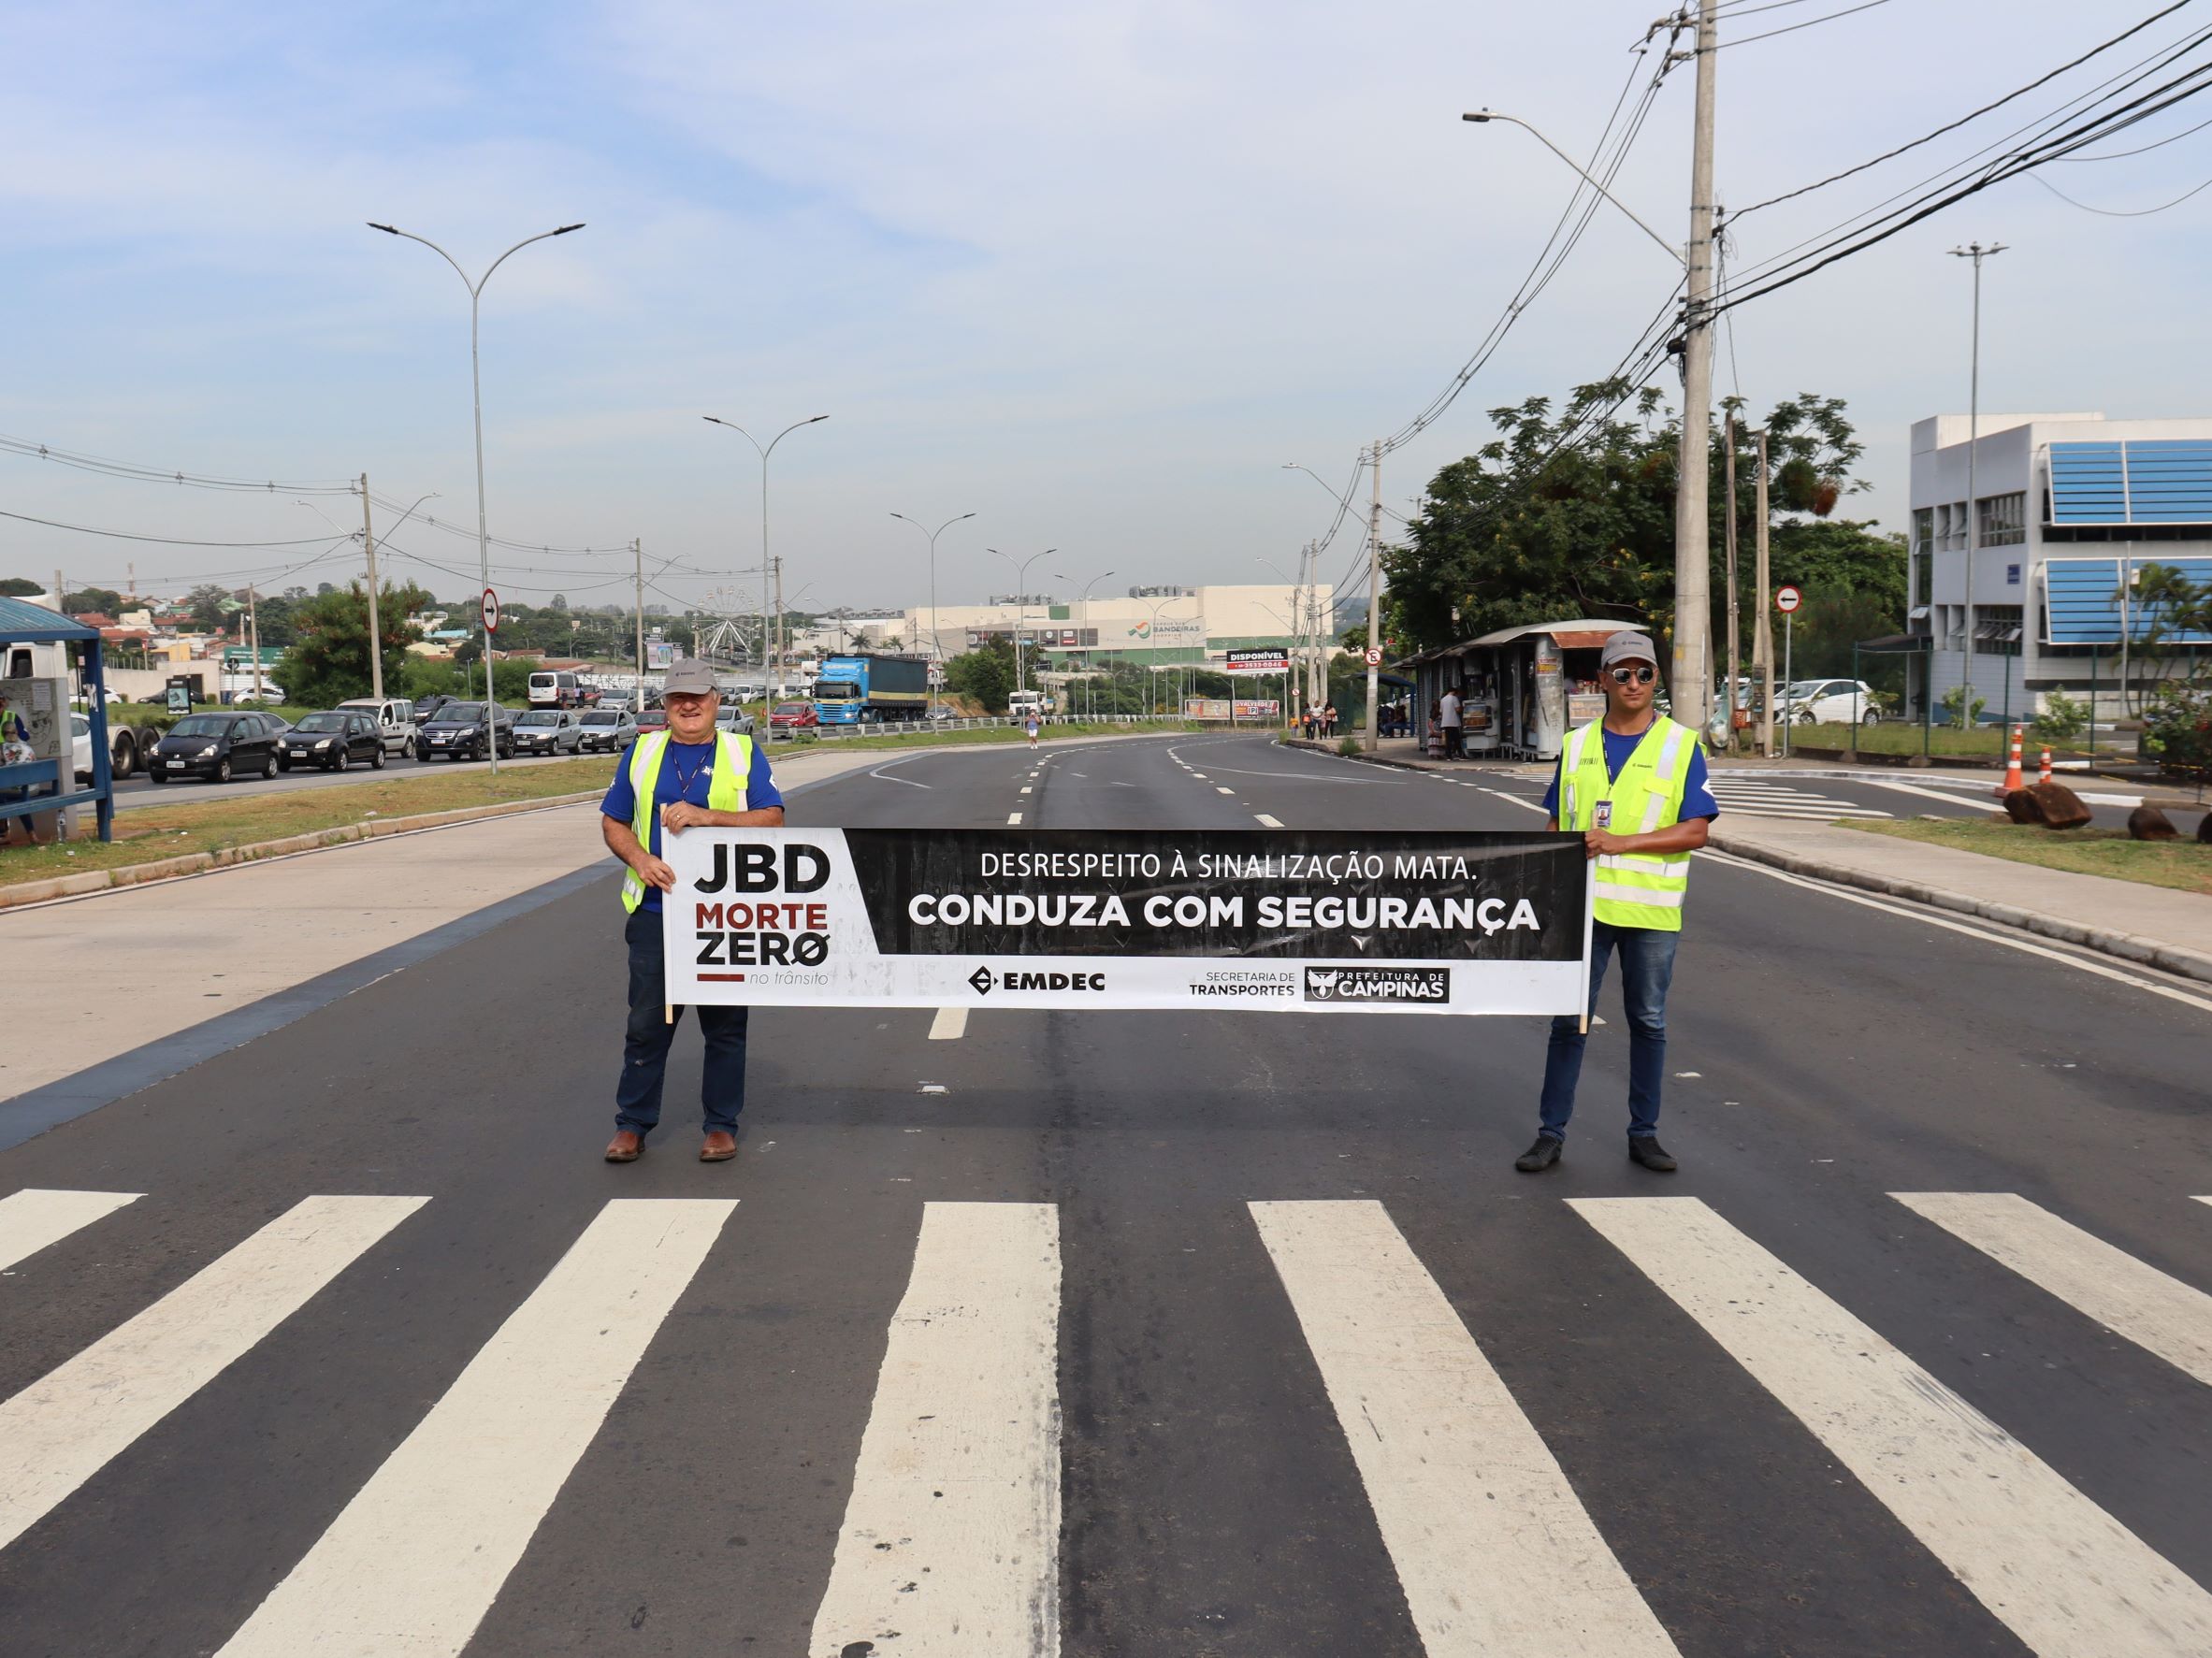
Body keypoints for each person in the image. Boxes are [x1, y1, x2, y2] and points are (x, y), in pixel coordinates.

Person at [1517, 632, 1718, 1175]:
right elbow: (1557, 822)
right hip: (1582, 909)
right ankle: (1550, 1134)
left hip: (1650, 912)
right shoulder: (1577, 744)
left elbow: (1697, 830)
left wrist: (1620, 843)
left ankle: (1644, 1135)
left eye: (1644, 673)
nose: (1634, 683)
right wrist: (1539, 889)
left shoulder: (1681, 745)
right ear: (1603, 680)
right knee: (1570, 1021)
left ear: (1656, 680)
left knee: (1648, 1022)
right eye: (1623, 673)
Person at [599, 658, 785, 1165]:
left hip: (724, 916)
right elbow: (613, 821)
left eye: (697, 697)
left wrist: (709, 817)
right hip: (656, 912)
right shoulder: (642, 752)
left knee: (724, 1026)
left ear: (716, 701)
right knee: (647, 1025)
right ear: (665, 704)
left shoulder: (742, 751)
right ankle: (632, 1124)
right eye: (677, 698)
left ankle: (721, 1126)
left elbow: (772, 819)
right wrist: (640, 860)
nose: (688, 706)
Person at [1439, 683, 1464, 759]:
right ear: (1454, 692)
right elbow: (1458, 709)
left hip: (1445, 722)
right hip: (1453, 722)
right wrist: (1462, 708)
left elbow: (1441, 712)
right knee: (1457, 739)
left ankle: (1448, 755)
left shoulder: (1443, 699)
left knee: (1448, 740)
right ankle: (1460, 754)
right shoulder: (1454, 698)